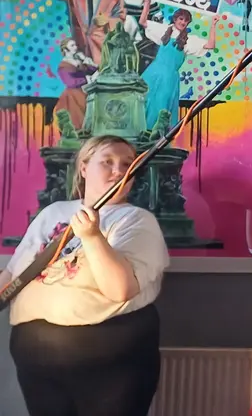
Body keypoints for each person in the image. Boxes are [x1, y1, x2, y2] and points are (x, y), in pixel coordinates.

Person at [0, 135, 170, 416]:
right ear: (83, 168)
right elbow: (13, 273)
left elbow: (120, 289)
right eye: (108, 162)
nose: (119, 170)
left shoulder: (137, 220)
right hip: (36, 358)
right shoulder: (53, 213)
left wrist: (92, 237)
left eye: (128, 164)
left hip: (111, 363)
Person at [139, 0, 219, 127]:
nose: (183, 22)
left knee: (160, 106)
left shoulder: (188, 40)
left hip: (169, 78)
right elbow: (143, 22)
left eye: (186, 20)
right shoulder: (164, 30)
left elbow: (210, 45)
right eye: (181, 19)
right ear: (175, 19)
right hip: (153, 73)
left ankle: (155, 138)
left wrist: (213, 25)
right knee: (142, 100)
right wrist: (147, 2)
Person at [54, 37, 99, 129]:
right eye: (72, 45)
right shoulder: (63, 66)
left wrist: (85, 58)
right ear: (65, 49)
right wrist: (87, 79)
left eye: (75, 45)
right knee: (79, 121)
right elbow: (70, 82)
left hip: (84, 92)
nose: (75, 47)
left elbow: (94, 69)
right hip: (73, 97)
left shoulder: (78, 60)